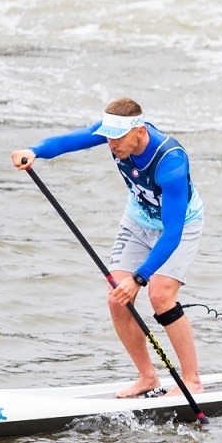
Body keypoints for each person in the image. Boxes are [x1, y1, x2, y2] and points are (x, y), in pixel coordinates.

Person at [11, 97, 205, 398]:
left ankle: (192, 380)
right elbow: (69, 141)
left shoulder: (171, 161)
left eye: (117, 139)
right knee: (118, 300)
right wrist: (34, 151)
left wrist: (140, 277)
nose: (111, 145)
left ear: (139, 131)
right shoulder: (116, 135)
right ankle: (147, 378)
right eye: (108, 138)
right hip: (137, 221)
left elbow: (173, 232)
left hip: (178, 227)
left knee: (161, 295)